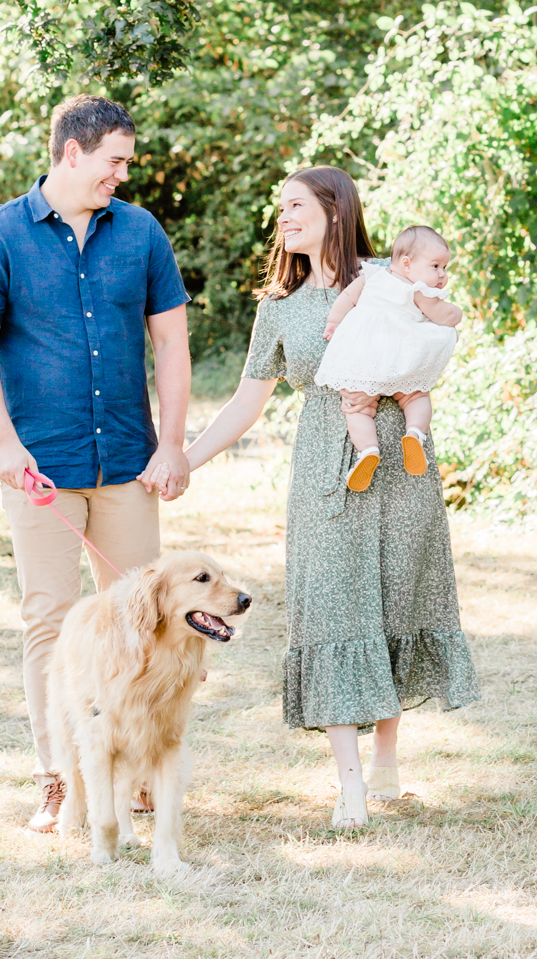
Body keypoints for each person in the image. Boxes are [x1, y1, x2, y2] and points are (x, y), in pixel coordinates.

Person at [183, 168, 478, 831]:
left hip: (400, 458)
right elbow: (245, 404)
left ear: (333, 211)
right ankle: (348, 786)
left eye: (294, 205)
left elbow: (440, 333)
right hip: (325, 466)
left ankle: (387, 758)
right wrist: (185, 459)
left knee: (396, 596)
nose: (281, 216)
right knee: (334, 608)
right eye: (279, 206)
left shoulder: (387, 275)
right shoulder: (279, 309)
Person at [0, 94, 192, 832]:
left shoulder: (141, 233)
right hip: (40, 469)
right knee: (50, 624)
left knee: (145, 622)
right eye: (114, 159)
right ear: (71, 153)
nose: (122, 173)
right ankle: (58, 776)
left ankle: (142, 775)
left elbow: (171, 345)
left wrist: (174, 441)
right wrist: (5, 445)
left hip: (126, 460)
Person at [315, 224, 463, 491]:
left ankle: (368, 451)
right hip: (399, 357)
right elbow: (444, 316)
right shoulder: (418, 290)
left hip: (364, 358)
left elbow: (348, 296)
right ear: (407, 264)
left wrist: (334, 322)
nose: (442, 274)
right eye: (436, 266)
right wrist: (457, 313)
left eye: (444, 267)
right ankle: (415, 433)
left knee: (356, 407)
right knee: (415, 395)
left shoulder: (372, 276)